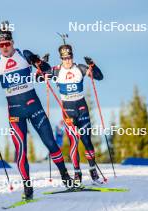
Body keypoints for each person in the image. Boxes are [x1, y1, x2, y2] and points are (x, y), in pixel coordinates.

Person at [0, 21, 74, 200]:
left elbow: (45, 69)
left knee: (51, 143)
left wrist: (38, 61)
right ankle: (27, 188)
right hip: (15, 114)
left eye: (7, 44)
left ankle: (65, 177)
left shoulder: (24, 54)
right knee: (20, 151)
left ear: (12, 42)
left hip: (35, 108)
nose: (5, 48)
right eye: (1, 45)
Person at [40, 42, 104, 185]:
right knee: (73, 143)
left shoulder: (80, 68)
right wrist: (43, 64)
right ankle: (77, 174)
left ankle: (93, 172)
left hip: (82, 109)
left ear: (72, 57)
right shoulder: (56, 71)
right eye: (64, 58)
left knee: (87, 141)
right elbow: (39, 77)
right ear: (61, 59)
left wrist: (93, 65)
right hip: (68, 112)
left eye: (69, 57)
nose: (67, 61)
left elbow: (99, 77)